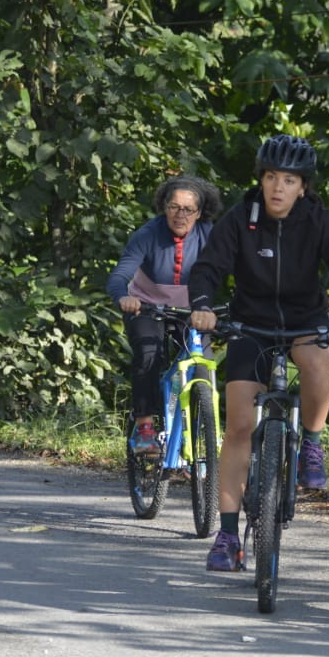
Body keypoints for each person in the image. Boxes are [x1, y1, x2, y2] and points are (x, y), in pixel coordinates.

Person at [188, 134, 329, 572]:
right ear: (262, 179)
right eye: (271, 177)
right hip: (250, 322)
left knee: (314, 361)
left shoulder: (319, 221)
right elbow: (209, 268)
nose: (278, 187)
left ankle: (311, 441)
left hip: (304, 320)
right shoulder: (240, 218)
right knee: (237, 426)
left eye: (288, 180)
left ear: (302, 187)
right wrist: (201, 307)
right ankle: (228, 534)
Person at [107, 175, 223, 455]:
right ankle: (145, 428)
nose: (180, 215)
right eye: (173, 207)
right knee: (150, 354)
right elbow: (120, 275)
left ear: (200, 212)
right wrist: (124, 297)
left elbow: (238, 270)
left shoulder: (210, 234)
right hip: (147, 308)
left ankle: (196, 441)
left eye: (188, 209)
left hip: (191, 313)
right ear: (163, 206)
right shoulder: (148, 234)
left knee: (203, 368)